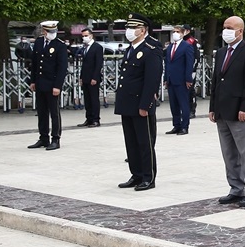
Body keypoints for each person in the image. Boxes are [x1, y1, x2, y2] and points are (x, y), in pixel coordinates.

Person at [210, 16, 245, 208]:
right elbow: (216, 81)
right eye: (224, 27)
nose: (226, 31)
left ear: (240, 31)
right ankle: (235, 188)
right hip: (222, 110)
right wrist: (212, 107)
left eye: (230, 28)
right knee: (229, 153)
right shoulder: (221, 52)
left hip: (240, 110)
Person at [115, 13, 163, 191]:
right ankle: (136, 174)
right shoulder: (131, 48)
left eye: (132, 28)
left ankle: (148, 177)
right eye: (128, 28)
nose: (129, 31)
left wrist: (145, 105)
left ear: (142, 30)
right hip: (127, 102)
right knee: (131, 141)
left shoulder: (151, 48)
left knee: (145, 142)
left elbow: (152, 80)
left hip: (140, 103)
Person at [27, 21, 68, 151]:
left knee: (54, 112)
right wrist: (33, 81)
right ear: (44, 32)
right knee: (41, 112)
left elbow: (62, 68)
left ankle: (55, 138)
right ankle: (43, 137)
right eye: (50, 32)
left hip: (52, 84)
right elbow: (34, 64)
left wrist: (58, 86)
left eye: (54, 31)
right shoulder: (39, 42)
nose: (52, 34)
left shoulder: (59, 45)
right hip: (40, 83)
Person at [164, 25, 197, 135]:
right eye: (174, 31)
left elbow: (189, 64)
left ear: (183, 33)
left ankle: (184, 126)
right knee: (174, 105)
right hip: (171, 80)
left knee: (184, 104)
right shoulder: (170, 47)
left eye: (177, 31)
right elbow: (167, 63)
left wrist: (188, 79)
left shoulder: (187, 46)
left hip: (182, 80)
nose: (175, 33)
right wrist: (165, 78)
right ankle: (176, 125)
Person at [78, 29, 104, 128]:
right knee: (87, 99)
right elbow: (84, 65)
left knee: (94, 99)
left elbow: (98, 64)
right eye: (83, 36)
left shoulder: (97, 47)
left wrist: (95, 77)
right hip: (85, 77)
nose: (84, 37)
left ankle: (96, 119)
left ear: (91, 36)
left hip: (93, 77)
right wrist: (81, 77)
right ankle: (89, 118)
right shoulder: (85, 48)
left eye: (86, 35)